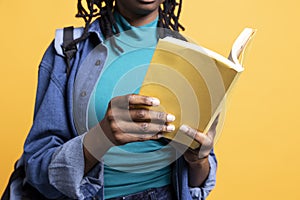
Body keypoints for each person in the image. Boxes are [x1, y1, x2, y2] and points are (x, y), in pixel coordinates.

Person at [12, 0, 218, 199]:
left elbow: (195, 187)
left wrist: (199, 161)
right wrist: (101, 138)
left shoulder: (188, 58)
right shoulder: (68, 50)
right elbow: (38, 171)